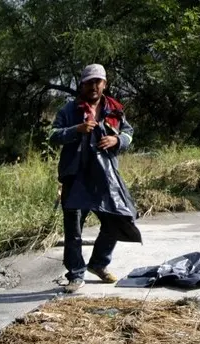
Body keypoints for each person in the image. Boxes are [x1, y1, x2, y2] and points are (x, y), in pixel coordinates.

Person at [50, 64, 139, 293]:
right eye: (89, 82)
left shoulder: (115, 110)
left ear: (104, 84)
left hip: (104, 178)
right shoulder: (69, 110)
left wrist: (117, 140)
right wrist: (75, 130)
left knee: (117, 219)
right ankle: (76, 275)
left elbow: (129, 133)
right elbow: (53, 135)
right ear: (82, 84)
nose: (93, 86)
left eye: (98, 81)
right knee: (74, 231)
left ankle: (98, 264)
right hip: (75, 178)